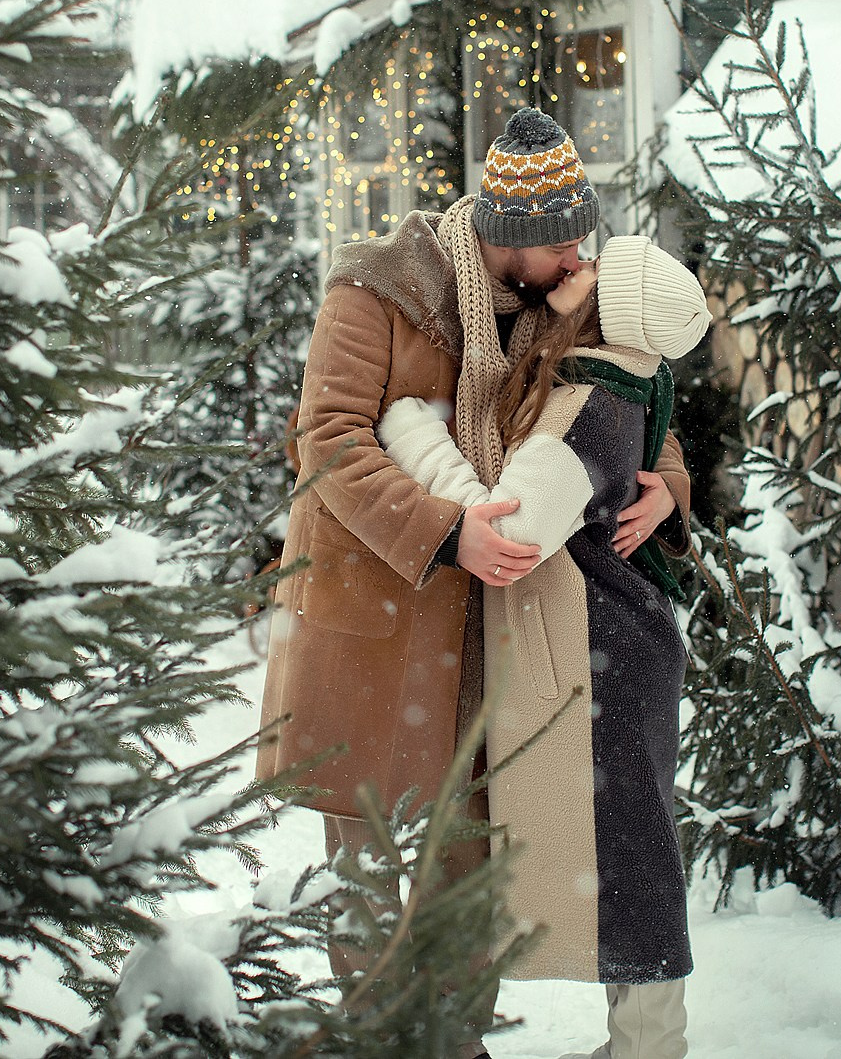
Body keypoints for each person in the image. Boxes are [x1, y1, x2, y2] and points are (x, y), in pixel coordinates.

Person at [254, 108, 692, 1059]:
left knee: (462, 863)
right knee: (367, 862)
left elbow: (619, 399)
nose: (579, 251)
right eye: (563, 236)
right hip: (375, 618)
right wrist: (448, 530)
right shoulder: (381, 287)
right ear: (514, 236)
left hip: (482, 632)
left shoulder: (550, 306)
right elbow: (328, 441)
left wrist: (670, 487)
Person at [377, 234, 710, 1059]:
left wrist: (417, 436)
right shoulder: (622, 374)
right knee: (638, 843)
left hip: (608, 652)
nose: (574, 264)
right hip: (621, 642)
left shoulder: (588, 398)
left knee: (633, 856)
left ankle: (648, 1048)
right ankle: (642, 1043)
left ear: (611, 309)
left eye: (595, 268)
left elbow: (516, 527)